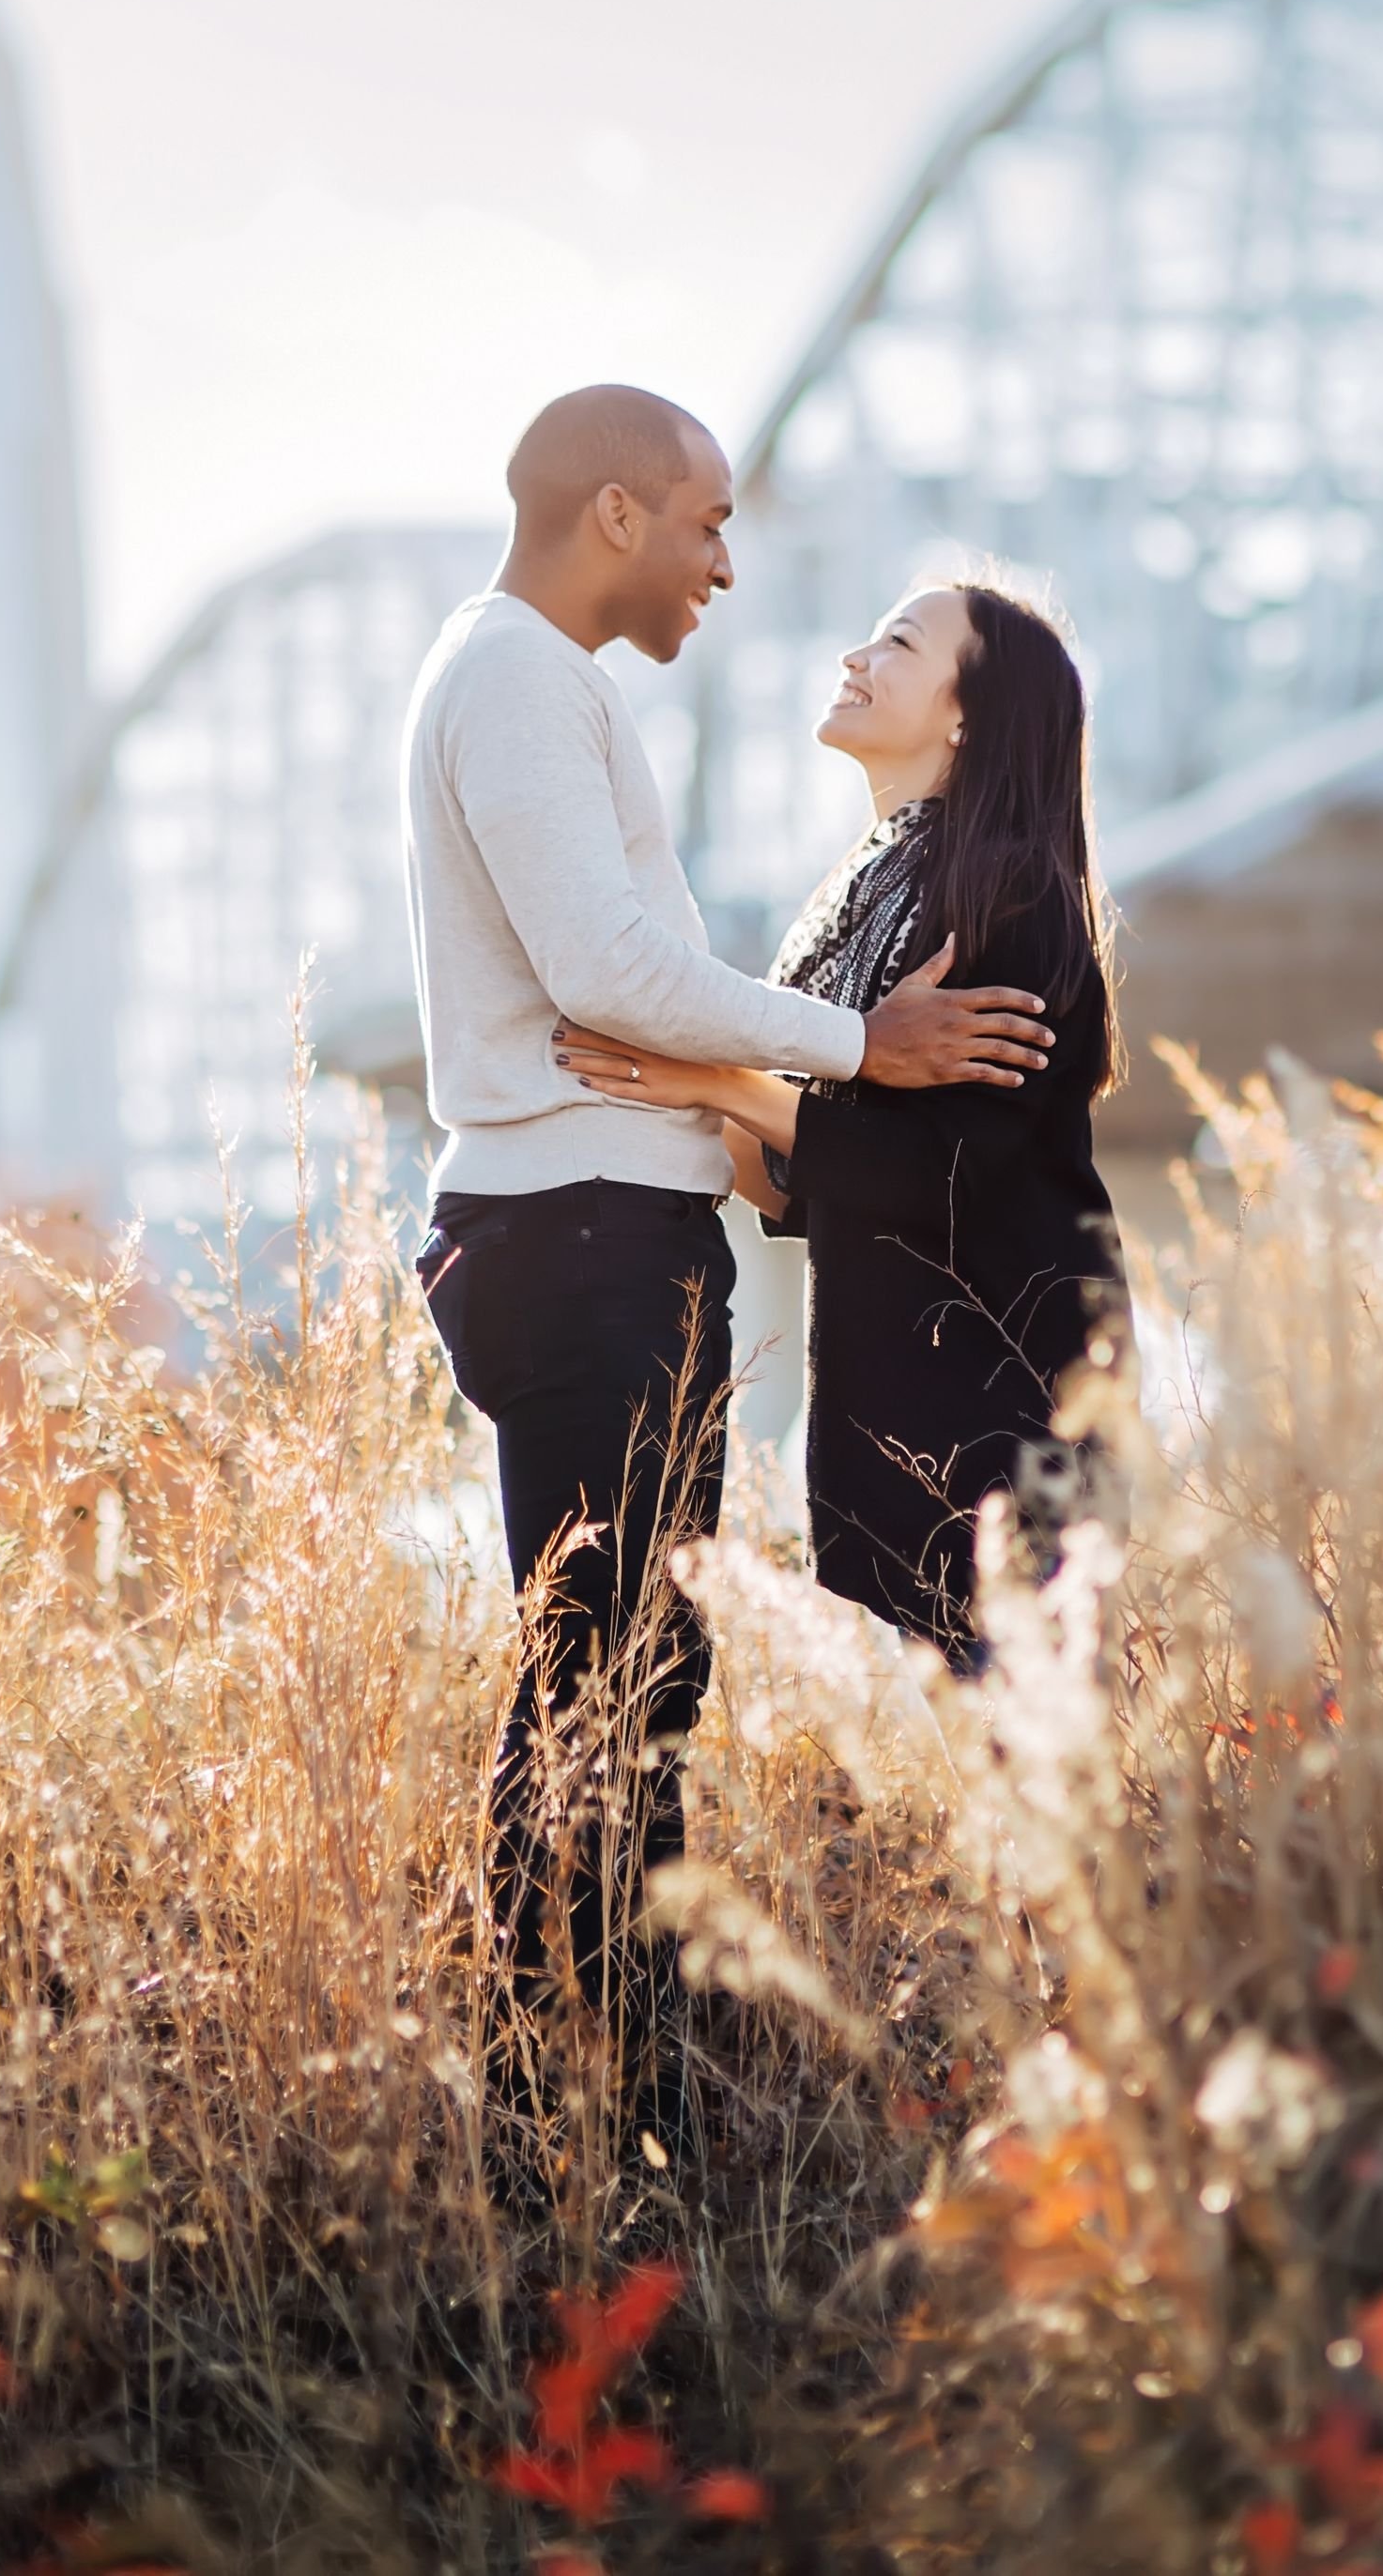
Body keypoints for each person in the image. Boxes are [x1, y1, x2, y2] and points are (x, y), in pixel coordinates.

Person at [403, 388, 1056, 2032]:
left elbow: (630, 1011)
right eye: (706, 524)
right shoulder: (516, 680)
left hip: (600, 1237)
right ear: (614, 514)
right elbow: (606, 976)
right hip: (581, 1249)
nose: (725, 567)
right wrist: (867, 1045)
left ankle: (588, 2095)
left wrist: (730, 1112)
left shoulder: (528, 678)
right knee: (609, 1701)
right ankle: (587, 2112)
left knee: (619, 1685)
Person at [558, 579, 1127, 1669]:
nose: (854, 657)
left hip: (1005, 1440)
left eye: (899, 643)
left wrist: (713, 1075)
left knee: (1030, 1803)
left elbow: (933, 1175)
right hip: (901, 1437)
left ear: (968, 713)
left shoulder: (1009, 899)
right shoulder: (870, 893)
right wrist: (661, 1089)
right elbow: (808, 1184)